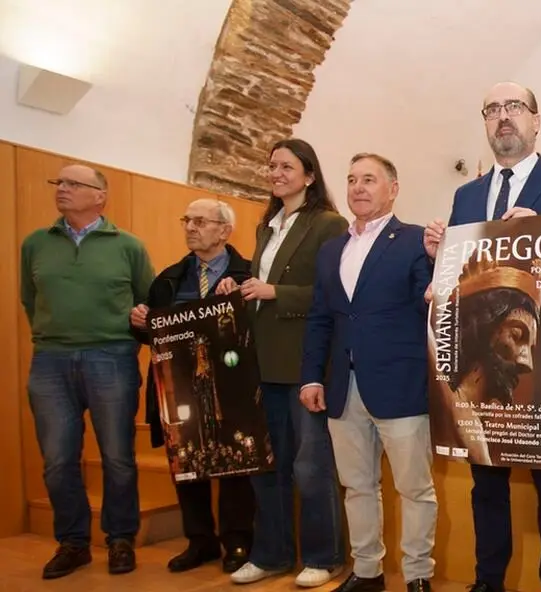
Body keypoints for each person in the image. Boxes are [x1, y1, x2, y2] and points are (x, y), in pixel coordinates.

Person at [423, 81, 541, 592]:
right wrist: (437, 253)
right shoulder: (466, 195)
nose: (503, 117)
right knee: (486, 483)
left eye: (514, 107)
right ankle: (489, 583)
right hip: (481, 364)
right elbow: (459, 280)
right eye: (492, 110)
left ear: (536, 119)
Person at [216, 138, 349, 587]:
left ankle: (323, 555)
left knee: (310, 467)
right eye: (271, 166)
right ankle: (270, 554)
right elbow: (260, 287)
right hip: (261, 362)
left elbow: (335, 297)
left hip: (303, 364)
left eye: (286, 166)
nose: (276, 173)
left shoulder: (330, 224)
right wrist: (238, 288)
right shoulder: (264, 227)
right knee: (266, 466)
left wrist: (276, 293)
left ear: (309, 175)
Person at [301, 152, 437, 592]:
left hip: (400, 385)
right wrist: (312, 376)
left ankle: (417, 575)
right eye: (352, 179)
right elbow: (321, 317)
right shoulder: (331, 249)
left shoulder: (416, 240)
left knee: (414, 489)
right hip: (343, 386)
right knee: (357, 487)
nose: (358, 187)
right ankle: (367, 572)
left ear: (393, 189)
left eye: (370, 179)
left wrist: (439, 271)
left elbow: (430, 304)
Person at [20, 164, 155, 579]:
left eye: (73, 184)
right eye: (57, 182)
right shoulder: (35, 244)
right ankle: (73, 542)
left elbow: (147, 302)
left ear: (100, 196)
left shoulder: (128, 246)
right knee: (57, 460)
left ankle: (120, 539)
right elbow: (30, 298)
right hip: (50, 361)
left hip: (112, 358)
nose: (61, 189)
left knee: (117, 457)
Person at [129, 198, 256, 574]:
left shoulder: (249, 274)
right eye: (187, 220)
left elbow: (257, 332)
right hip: (179, 388)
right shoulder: (169, 279)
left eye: (200, 221)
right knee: (186, 465)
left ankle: (237, 541)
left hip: (232, 385)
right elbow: (156, 337)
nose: (190, 227)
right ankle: (199, 541)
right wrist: (141, 322)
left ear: (224, 230)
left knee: (236, 466)